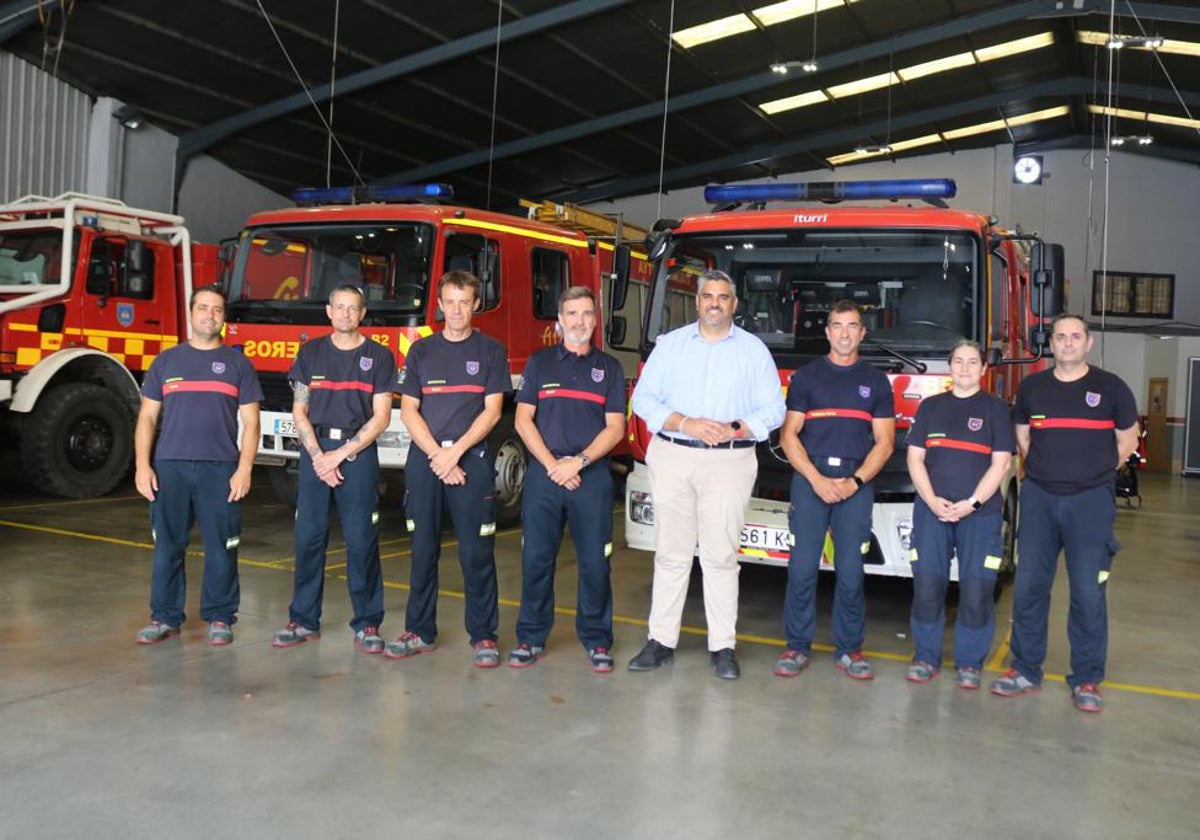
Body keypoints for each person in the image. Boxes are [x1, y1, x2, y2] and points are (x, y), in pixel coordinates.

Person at [627, 269, 785, 680]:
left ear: (734, 304)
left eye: (723, 297)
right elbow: (643, 398)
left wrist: (734, 428)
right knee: (672, 554)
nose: (715, 303)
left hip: (730, 461)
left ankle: (723, 647)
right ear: (697, 302)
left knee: (720, 557)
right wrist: (685, 422)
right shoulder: (671, 346)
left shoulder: (753, 351)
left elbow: (773, 409)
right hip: (675, 455)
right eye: (708, 296)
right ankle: (660, 641)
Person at [991, 314, 1138, 712]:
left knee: (1089, 592)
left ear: (1088, 343)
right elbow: (1023, 436)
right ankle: (1024, 669)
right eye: (1060, 337)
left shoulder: (1111, 388)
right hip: (1039, 497)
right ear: (1050, 344)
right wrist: (1044, 469)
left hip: (1091, 501)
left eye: (1076, 336)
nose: (1068, 343)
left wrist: (1097, 471)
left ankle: (1087, 679)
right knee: (1030, 588)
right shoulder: (1033, 387)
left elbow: (1128, 439)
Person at [387, 270, 509, 667]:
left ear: (476, 304)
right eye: (450, 301)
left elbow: (492, 412)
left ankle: (484, 635)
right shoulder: (420, 351)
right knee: (422, 550)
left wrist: (454, 453)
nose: (456, 310)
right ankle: (419, 630)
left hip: (469, 462)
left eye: (464, 302)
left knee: (477, 553)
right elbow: (408, 410)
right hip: (427, 462)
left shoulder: (491, 350)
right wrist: (439, 457)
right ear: (440, 305)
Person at [134, 285, 262, 645]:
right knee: (167, 545)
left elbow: (252, 422)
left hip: (220, 468)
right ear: (191, 313)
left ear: (224, 317)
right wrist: (143, 466)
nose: (210, 314)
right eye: (203, 308)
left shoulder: (238, 364)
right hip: (169, 466)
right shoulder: (166, 362)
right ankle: (164, 616)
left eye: (217, 309)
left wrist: (245, 468)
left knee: (222, 545)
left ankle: (220, 617)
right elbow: (146, 419)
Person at [272, 284, 396, 654]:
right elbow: (299, 411)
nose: (345, 314)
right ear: (328, 312)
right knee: (308, 539)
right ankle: (303, 619)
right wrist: (317, 456)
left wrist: (339, 455)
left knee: (361, 541)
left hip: (356, 455)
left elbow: (382, 418)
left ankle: (368, 624)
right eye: (338, 307)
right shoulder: (310, 353)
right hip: (315, 454)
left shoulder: (379, 356)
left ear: (362, 314)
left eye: (352, 308)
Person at [775, 300, 895, 680]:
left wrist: (855, 482)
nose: (845, 333)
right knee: (802, 568)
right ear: (827, 333)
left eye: (852, 326)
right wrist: (816, 479)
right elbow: (788, 435)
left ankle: (850, 649)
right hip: (811, 482)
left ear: (862, 333)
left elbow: (885, 442)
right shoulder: (806, 378)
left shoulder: (876, 382)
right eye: (837, 326)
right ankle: (796, 646)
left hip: (855, 486)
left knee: (850, 570)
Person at [509, 286, 626, 672]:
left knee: (596, 564)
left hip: (590, 478)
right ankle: (530, 637)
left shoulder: (609, 368)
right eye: (572, 314)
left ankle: (597, 640)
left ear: (595, 319)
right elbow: (522, 420)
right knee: (537, 560)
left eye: (587, 314)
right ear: (559, 320)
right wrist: (553, 466)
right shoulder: (540, 363)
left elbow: (615, 428)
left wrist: (577, 462)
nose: (580, 321)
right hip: (545, 477)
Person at [905, 340, 1014, 689]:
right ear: (949, 367)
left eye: (972, 362)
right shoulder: (931, 407)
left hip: (979, 516)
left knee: (977, 589)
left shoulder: (997, 410)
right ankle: (925, 657)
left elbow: (1002, 463)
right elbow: (915, 459)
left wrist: (973, 503)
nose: (965, 368)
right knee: (927, 586)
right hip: (931, 511)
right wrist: (933, 499)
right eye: (958, 361)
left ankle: (970, 663)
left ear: (984, 369)